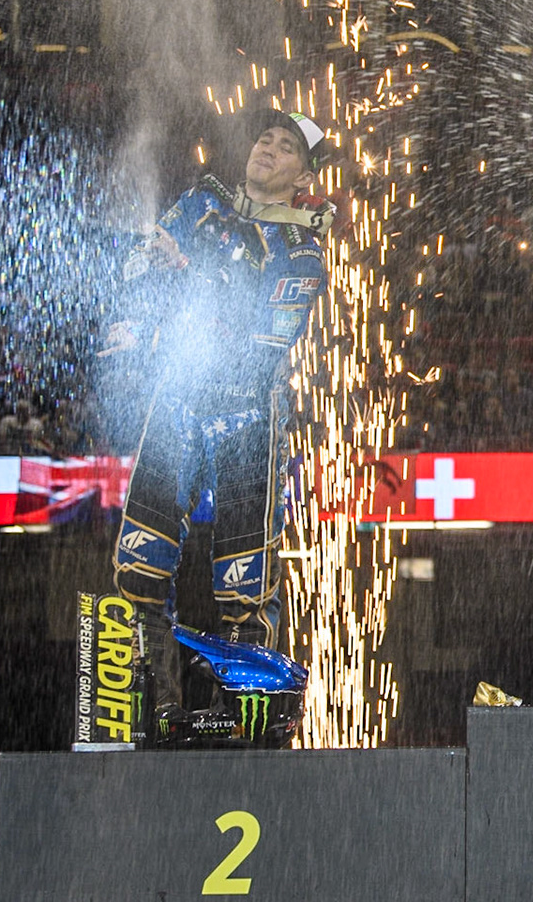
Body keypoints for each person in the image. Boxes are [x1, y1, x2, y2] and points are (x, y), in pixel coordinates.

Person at [106, 111, 337, 725]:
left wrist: (193, 273)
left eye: (286, 147)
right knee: (139, 562)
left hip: (246, 419)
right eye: (266, 138)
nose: (269, 149)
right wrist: (146, 275)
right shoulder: (203, 200)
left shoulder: (303, 251)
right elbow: (139, 268)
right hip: (177, 399)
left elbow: (262, 343)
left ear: (303, 177)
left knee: (245, 584)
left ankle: (242, 719)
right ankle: (144, 710)